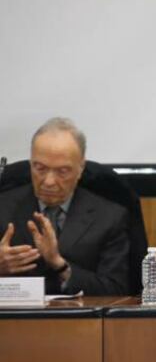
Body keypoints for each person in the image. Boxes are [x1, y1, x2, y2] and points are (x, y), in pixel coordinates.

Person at [0, 118, 130, 295]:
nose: (49, 181)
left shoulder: (109, 218)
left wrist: (60, 265)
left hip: (80, 321)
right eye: (40, 168)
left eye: (62, 171)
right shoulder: (3, 208)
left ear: (80, 169)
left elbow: (117, 290)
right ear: (30, 164)